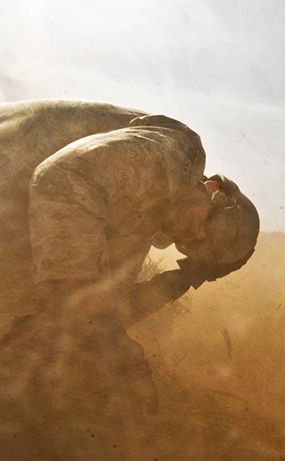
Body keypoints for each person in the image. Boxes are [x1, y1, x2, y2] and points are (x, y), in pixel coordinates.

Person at [0, 99, 260, 418]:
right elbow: (64, 177)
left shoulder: (139, 227)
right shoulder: (179, 154)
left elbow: (104, 315)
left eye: (196, 247)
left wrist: (185, 276)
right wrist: (81, 312)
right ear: (213, 187)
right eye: (208, 226)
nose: (193, 235)